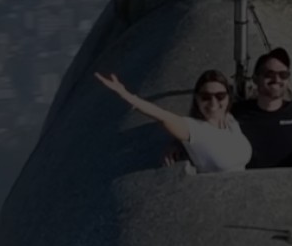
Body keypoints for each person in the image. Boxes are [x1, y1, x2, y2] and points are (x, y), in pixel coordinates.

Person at [96, 69, 252, 173]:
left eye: (220, 96)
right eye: (205, 97)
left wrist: (177, 143)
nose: (213, 103)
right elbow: (162, 115)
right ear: (196, 99)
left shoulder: (230, 121)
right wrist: (127, 96)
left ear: (228, 97)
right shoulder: (194, 129)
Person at [232, 47, 292, 169]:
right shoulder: (235, 114)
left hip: (290, 181)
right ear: (255, 79)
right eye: (269, 74)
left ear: (288, 80)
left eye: (283, 75)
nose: (276, 79)